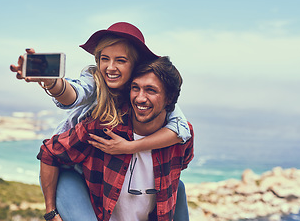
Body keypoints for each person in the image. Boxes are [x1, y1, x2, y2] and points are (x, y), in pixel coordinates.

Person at [10, 22, 191, 220]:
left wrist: (129, 147)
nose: (110, 67)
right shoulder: (96, 86)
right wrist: (51, 81)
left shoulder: (154, 98)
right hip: (67, 167)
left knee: (177, 186)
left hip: (96, 169)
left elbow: (181, 130)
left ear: (136, 65)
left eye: (120, 60)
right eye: (105, 59)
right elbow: (74, 94)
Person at [37, 56, 194, 221]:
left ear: (169, 98)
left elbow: (178, 171)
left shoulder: (181, 138)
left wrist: (131, 148)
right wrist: (51, 212)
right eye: (135, 88)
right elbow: (49, 152)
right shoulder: (104, 127)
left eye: (151, 90)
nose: (140, 98)